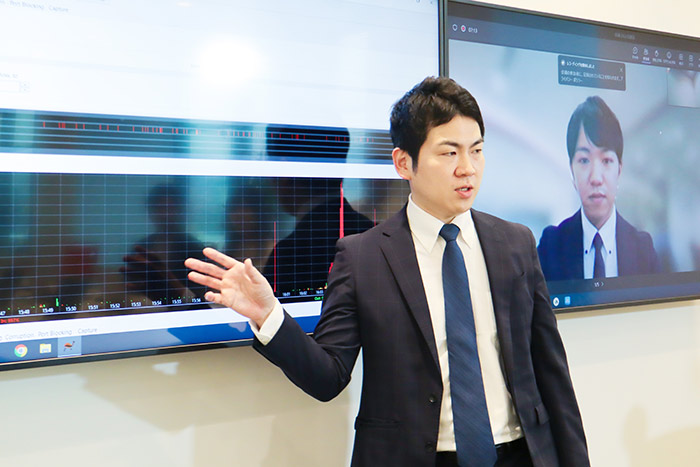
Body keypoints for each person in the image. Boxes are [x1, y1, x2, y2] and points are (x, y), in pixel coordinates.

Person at [185, 77, 589, 466]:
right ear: (403, 163)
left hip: (516, 454)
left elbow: (553, 376)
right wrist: (268, 314)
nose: (468, 168)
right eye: (449, 153)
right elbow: (328, 377)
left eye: (477, 150)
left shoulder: (515, 244)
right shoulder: (363, 257)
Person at [538, 96, 660, 281]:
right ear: (572, 171)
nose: (595, 178)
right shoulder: (551, 246)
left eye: (606, 161)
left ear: (619, 170)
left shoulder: (643, 248)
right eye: (584, 160)